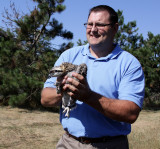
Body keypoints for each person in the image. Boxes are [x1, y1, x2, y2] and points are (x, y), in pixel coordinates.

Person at [41, 5, 145, 149]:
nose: (93, 29)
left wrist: (88, 96)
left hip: (109, 145)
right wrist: (64, 89)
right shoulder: (69, 55)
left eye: (100, 25)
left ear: (115, 28)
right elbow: (45, 98)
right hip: (68, 142)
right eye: (90, 24)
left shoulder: (128, 63)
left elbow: (131, 113)